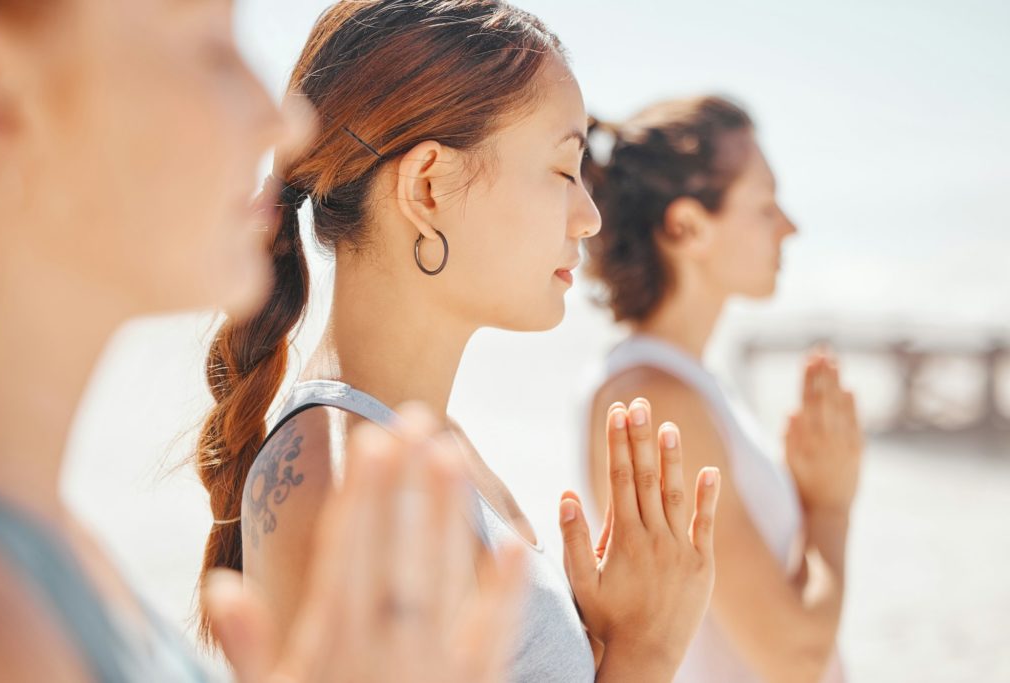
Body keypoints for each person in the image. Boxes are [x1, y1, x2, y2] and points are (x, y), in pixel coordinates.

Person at [0, 1, 525, 680]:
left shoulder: (57, 551)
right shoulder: (3, 620)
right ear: (1, 97)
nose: (281, 120)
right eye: (210, 51)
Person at [193, 2, 723, 681]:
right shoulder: (341, 473)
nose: (588, 217)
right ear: (428, 186)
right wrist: (644, 652)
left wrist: (613, 642)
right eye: (564, 171)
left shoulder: (422, 446)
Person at [580, 96, 864, 683]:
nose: (790, 225)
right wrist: (829, 507)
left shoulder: (687, 384)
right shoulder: (658, 400)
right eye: (764, 205)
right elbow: (794, 657)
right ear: (687, 226)